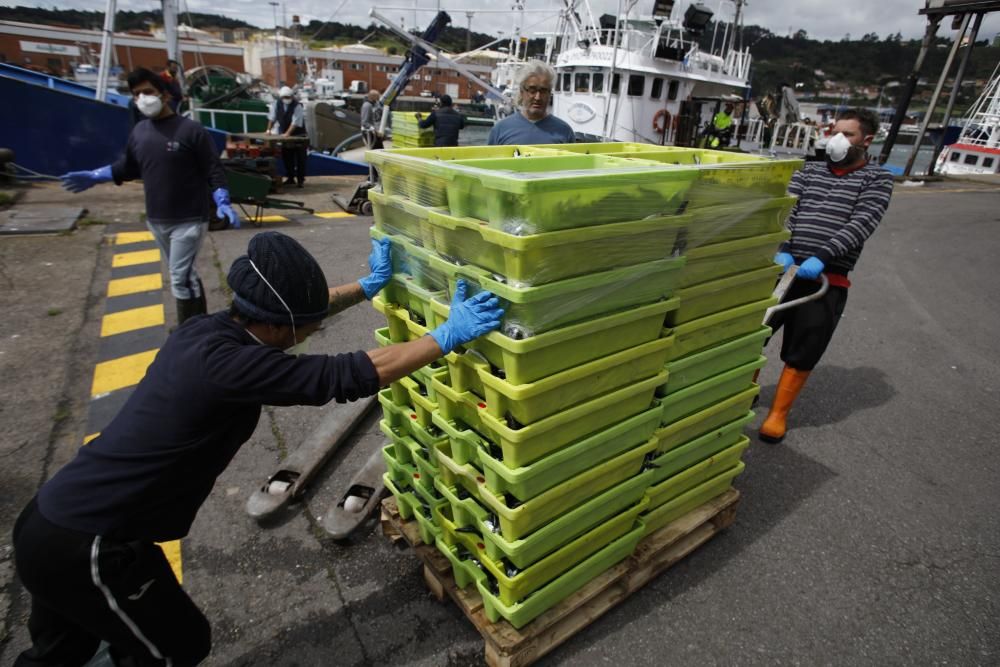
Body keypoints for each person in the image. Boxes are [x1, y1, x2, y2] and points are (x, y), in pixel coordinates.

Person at [11, 231, 504, 667]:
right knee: (178, 647)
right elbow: (353, 373)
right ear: (277, 327)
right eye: (307, 327)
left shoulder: (209, 332)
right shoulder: (236, 369)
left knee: (61, 653)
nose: (312, 332)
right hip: (91, 546)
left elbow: (301, 309)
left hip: (48, 522)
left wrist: (365, 286)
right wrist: (446, 336)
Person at [59, 67, 240, 326]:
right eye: (136, 94)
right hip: (157, 219)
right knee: (185, 275)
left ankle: (187, 334)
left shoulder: (191, 131)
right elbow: (128, 167)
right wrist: (96, 175)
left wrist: (222, 200)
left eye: (148, 92)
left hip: (188, 218)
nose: (142, 98)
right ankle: (201, 328)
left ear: (165, 96)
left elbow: (213, 168)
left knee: (179, 278)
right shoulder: (139, 132)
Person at [759, 108, 894, 443]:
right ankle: (740, 393)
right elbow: (789, 207)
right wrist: (785, 244)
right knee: (753, 333)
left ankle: (778, 413)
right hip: (784, 268)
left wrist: (822, 256)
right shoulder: (809, 171)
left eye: (847, 134)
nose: (837, 138)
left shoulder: (877, 180)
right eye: (835, 130)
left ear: (867, 140)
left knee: (804, 347)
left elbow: (862, 223)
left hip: (824, 278)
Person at [487, 61, 575, 145]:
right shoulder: (500, 130)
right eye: (532, 90)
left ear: (549, 94)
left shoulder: (564, 131)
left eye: (543, 91)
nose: (537, 97)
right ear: (522, 92)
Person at [267, 86, 308, 188]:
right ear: (281, 97)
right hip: (285, 136)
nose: (287, 99)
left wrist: (288, 133)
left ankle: (300, 180)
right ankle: (290, 178)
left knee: (300, 160)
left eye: (288, 97)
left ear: (292, 96)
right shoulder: (277, 104)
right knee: (287, 157)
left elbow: (295, 122)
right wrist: (268, 130)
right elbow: (272, 118)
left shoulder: (297, 106)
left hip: (299, 136)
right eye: (284, 97)